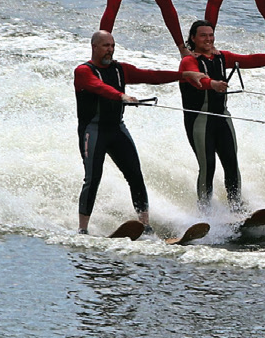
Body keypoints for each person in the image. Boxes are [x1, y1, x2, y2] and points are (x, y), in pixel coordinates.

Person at [73, 30, 185, 234]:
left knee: (135, 174)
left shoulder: (120, 70)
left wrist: (183, 75)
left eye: (112, 46)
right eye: (106, 46)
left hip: (117, 130)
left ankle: (145, 224)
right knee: (93, 178)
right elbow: (98, 87)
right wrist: (121, 96)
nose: (110, 50)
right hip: (93, 131)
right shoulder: (83, 71)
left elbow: (151, 76)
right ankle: (82, 229)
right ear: (94, 47)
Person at [179, 20, 265, 210]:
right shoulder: (189, 61)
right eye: (203, 35)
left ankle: (236, 207)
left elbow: (250, 60)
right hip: (199, 120)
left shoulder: (221, 58)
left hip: (223, 118)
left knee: (231, 163)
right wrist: (212, 84)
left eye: (210, 34)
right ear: (193, 38)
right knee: (208, 166)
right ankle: (204, 211)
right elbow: (193, 77)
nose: (208, 39)